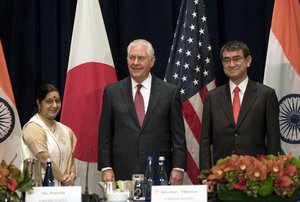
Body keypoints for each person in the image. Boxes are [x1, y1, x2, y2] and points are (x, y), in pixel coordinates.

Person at [98, 39, 187, 185]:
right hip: (122, 170)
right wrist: (106, 167)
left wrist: (178, 167)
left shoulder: (169, 92)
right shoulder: (112, 92)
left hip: (160, 171)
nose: (135, 63)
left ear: (152, 61)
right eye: (132, 58)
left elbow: (178, 135)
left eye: (141, 58)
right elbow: (105, 134)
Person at [200, 40, 281, 171]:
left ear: (248, 61)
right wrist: (205, 175)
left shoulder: (266, 94)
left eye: (237, 59)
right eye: (226, 60)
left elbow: (273, 140)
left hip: (257, 174)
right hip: (222, 174)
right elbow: (205, 141)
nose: (231, 64)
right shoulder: (212, 97)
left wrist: (272, 173)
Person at [22, 84, 77, 186]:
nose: (55, 105)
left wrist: (72, 174)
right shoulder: (33, 127)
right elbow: (44, 159)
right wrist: (64, 178)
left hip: (65, 191)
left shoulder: (66, 130)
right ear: (39, 103)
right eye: (49, 101)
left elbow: (71, 159)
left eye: (58, 101)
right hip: (41, 190)